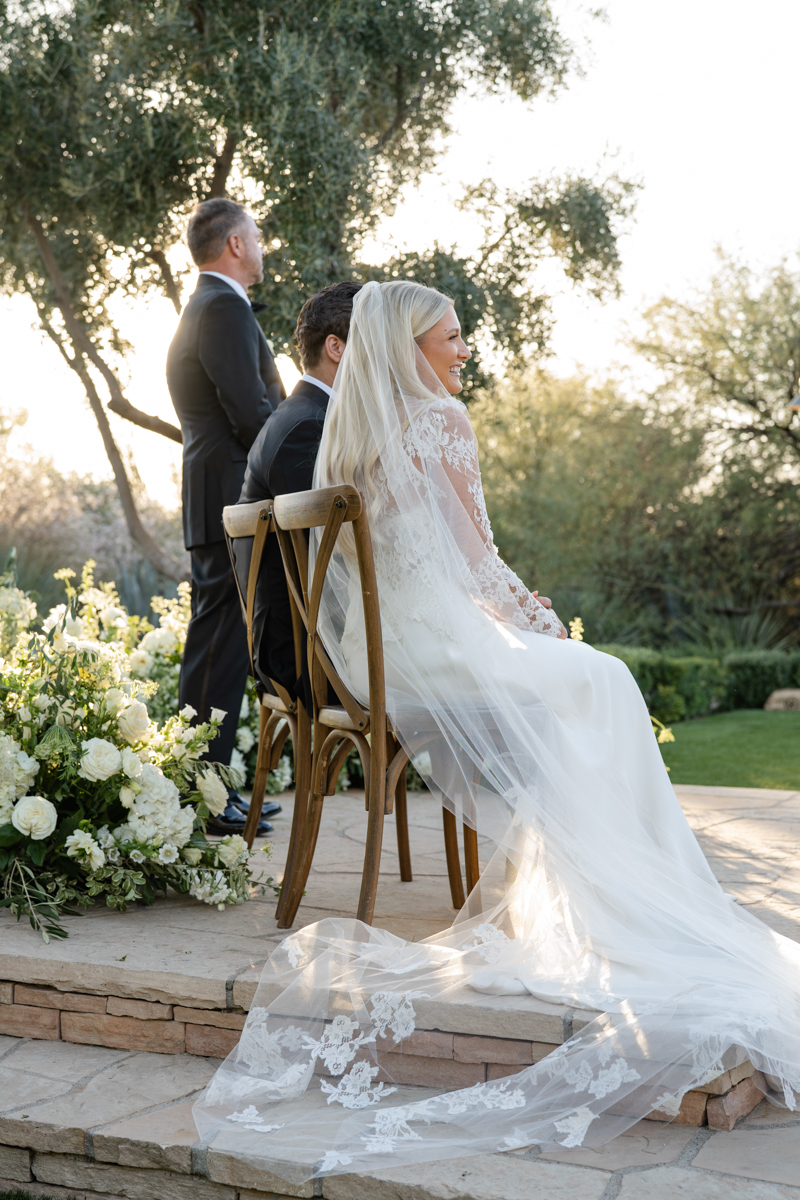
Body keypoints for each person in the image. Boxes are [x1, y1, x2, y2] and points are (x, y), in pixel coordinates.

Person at [195, 281, 800, 1184]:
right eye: (451, 335)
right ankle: (633, 904)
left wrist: (510, 622)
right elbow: (476, 559)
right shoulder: (443, 422)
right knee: (603, 678)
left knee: (579, 688)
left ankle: (585, 894)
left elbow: (416, 566)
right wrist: (536, 618)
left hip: (388, 655)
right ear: (413, 349)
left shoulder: (349, 435)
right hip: (435, 649)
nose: (464, 348)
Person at [167, 198, 284, 835]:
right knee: (218, 648)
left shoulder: (212, 306)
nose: (262, 246)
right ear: (235, 244)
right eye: (257, 236)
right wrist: (297, 472)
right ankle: (202, 795)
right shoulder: (219, 307)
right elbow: (251, 414)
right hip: (229, 499)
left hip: (221, 496)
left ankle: (211, 783)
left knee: (225, 648)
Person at [234, 281, 362, 705]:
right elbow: (338, 560)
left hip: (306, 641)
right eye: (371, 344)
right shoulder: (307, 428)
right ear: (336, 347)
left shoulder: (300, 415)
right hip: (303, 657)